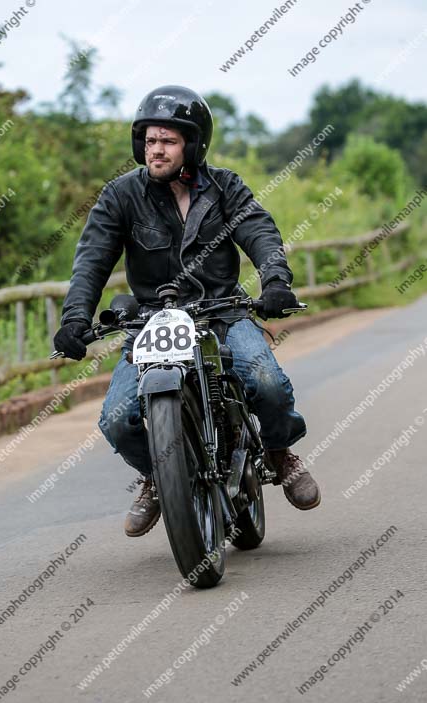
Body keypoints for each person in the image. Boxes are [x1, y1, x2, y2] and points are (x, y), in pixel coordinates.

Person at [54, 85, 321, 537]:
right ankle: (159, 477)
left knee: (266, 384)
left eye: (168, 141)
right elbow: (91, 260)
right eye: (150, 141)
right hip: (153, 322)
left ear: (193, 146)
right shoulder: (120, 196)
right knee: (118, 419)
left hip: (222, 311)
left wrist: (275, 281)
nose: (156, 150)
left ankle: (279, 452)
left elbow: (260, 233)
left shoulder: (225, 188)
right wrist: (74, 318)